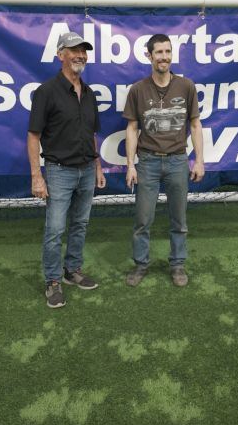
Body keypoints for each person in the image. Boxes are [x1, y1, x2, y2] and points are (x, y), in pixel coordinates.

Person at [28, 31, 106, 308]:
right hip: (58, 172)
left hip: (86, 169)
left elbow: (91, 134)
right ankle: (52, 281)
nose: (80, 55)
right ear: (60, 54)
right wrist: (37, 176)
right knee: (55, 228)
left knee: (80, 224)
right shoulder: (46, 92)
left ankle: (72, 270)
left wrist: (97, 166)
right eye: (74, 50)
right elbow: (33, 136)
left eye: (83, 50)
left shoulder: (89, 93)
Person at [123, 33, 205, 287]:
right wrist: (130, 165)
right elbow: (132, 128)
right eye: (159, 52)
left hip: (178, 161)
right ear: (149, 56)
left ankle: (178, 264)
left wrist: (199, 160)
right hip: (147, 161)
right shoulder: (138, 90)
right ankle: (141, 265)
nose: (164, 57)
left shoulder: (186, 86)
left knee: (179, 219)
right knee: (142, 219)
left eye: (168, 52)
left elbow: (195, 124)